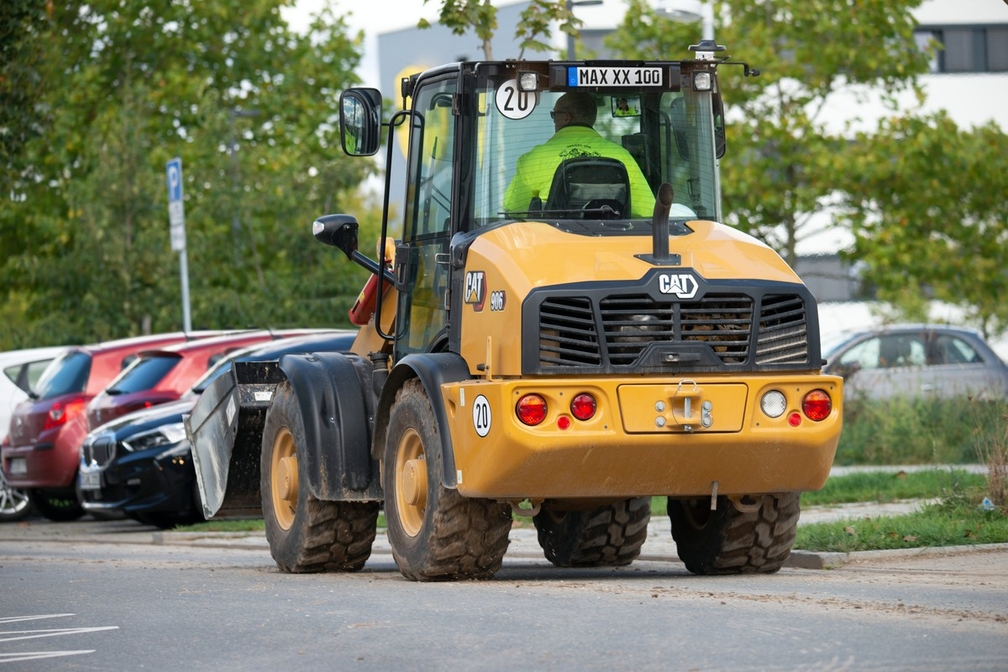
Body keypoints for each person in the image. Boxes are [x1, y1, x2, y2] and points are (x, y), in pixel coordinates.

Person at [503, 92, 655, 218]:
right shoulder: (621, 156)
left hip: (552, 248)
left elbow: (514, 209)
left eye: (554, 115)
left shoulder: (535, 158)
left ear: (566, 117)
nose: (554, 120)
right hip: (608, 245)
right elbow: (646, 211)